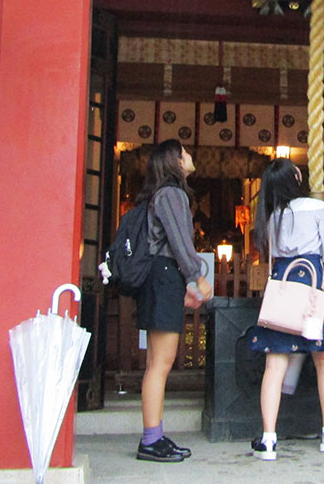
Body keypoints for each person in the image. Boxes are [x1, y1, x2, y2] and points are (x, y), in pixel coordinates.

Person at [249, 158, 324, 461]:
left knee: (274, 364)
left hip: (282, 286)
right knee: (323, 358)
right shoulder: (316, 208)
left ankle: (268, 438)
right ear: (296, 176)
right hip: (313, 286)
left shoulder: (270, 217)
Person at [135, 140, 214, 463]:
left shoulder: (162, 194)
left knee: (156, 364)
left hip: (161, 276)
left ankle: (154, 435)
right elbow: (181, 243)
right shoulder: (172, 194)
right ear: (176, 161)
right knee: (160, 365)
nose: (191, 156)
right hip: (164, 274)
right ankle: (150, 440)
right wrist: (197, 277)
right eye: (186, 153)